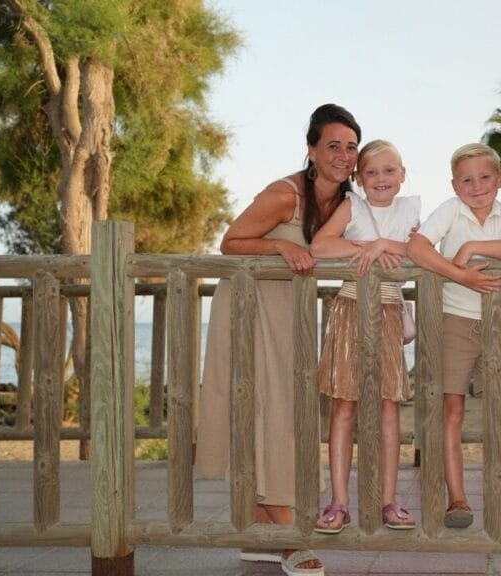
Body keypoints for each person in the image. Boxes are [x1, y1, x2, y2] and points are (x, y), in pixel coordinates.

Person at [196, 103, 362, 576]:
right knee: (268, 410)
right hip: (250, 307)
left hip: (290, 312)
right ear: (311, 149)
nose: (343, 155)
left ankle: (257, 528)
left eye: (350, 147)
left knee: (279, 409)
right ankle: (289, 534)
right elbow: (231, 241)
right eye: (333, 145)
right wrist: (280, 244)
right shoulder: (284, 194)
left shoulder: (347, 201)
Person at [407, 143, 501, 530]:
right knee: (452, 409)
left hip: (497, 323)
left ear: (498, 180)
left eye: (484, 177)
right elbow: (416, 245)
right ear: (454, 184)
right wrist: (460, 273)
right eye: (467, 179)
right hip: (454, 320)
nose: (476, 186)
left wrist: (471, 247)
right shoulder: (451, 209)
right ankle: (457, 500)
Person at [309, 140, 420, 534]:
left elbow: (420, 253)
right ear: (358, 178)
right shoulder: (353, 206)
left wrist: (389, 245)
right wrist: (367, 248)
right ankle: (339, 501)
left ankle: (388, 499)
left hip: (389, 312)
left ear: (403, 175)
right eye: (371, 172)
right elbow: (320, 246)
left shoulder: (412, 210)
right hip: (350, 309)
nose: (381, 179)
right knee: (344, 406)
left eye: (390, 171)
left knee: (389, 407)